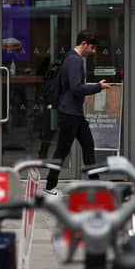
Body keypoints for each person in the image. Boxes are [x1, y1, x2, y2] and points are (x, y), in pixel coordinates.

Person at [44, 30, 112, 195]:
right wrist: (98, 87)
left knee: (88, 146)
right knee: (62, 150)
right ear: (83, 44)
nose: (94, 51)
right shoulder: (74, 61)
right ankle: (49, 187)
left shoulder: (70, 57)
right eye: (92, 47)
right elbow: (76, 88)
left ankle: (95, 186)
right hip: (70, 113)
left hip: (74, 113)